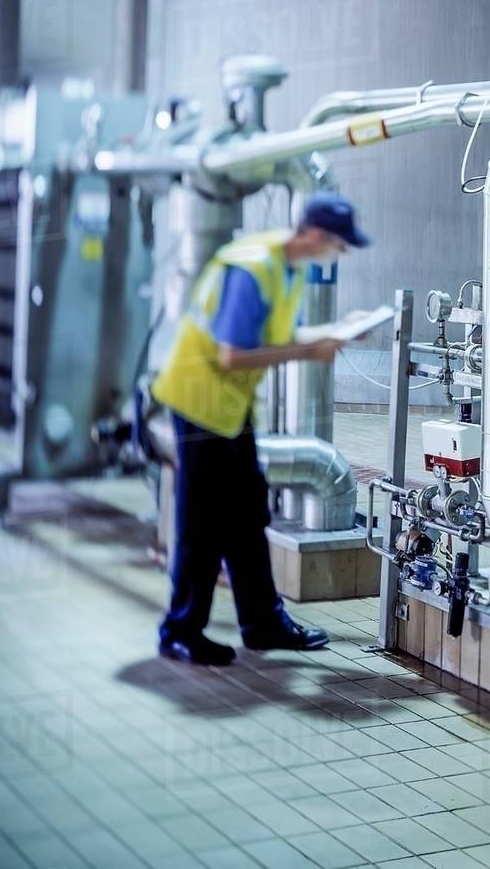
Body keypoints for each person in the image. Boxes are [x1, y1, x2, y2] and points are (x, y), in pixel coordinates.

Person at [150, 192, 370, 665]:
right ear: (313, 234)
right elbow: (232, 354)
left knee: (249, 512)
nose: (342, 252)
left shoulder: (287, 269)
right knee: (201, 525)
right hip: (199, 402)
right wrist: (310, 352)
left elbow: (278, 337)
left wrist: (342, 329)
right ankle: (179, 630)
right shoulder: (254, 268)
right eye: (338, 243)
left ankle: (263, 623)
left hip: (228, 407)